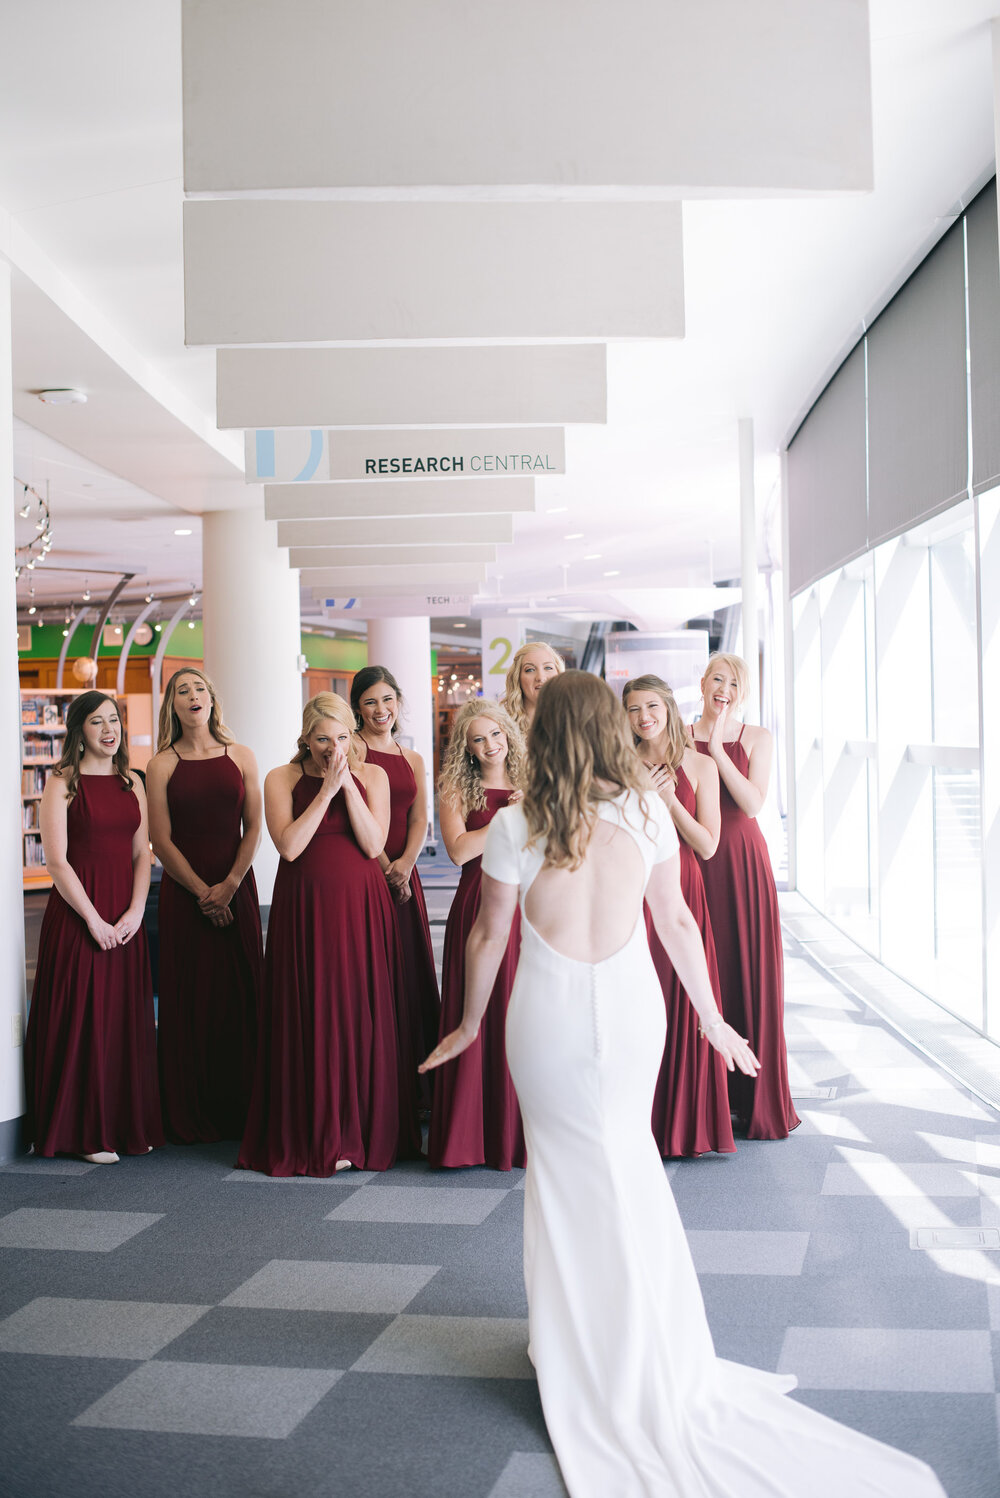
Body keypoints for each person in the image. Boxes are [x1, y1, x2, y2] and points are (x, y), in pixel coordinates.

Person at [420, 671, 947, 1498]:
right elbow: (675, 923)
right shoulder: (643, 811)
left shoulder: (518, 822)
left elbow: (487, 934)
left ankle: (576, 1346)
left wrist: (469, 1024)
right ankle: (647, 1341)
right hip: (634, 1015)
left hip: (548, 1016)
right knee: (628, 1164)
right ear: (605, 730)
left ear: (544, 735)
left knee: (561, 1180)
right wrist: (711, 1018)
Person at [238, 693, 419, 1175]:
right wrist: (324, 791)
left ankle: (358, 1130)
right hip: (305, 907)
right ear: (305, 738)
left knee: (359, 1009)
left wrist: (348, 788)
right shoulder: (281, 778)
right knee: (312, 1009)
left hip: (361, 906)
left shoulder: (374, 776)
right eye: (323, 739)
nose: (332, 748)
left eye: (341, 737)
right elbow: (290, 847)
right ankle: (316, 1131)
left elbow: (374, 843)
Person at [24, 691, 163, 1163]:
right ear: (79, 730)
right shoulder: (62, 782)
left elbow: (141, 856)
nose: (110, 729)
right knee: (84, 1019)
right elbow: (58, 864)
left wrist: (135, 912)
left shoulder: (132, 782)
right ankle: (87, 1133)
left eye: (114, 720)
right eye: (97, 721)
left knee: (122, 1019)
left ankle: (125, 1125)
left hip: (125, 916)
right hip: (79, 915)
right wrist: (94, 920)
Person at [146, 668, 263, 1142]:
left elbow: (254, 827)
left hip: (238, 885)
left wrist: (230, 885)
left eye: (199, 689)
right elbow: (160, 839)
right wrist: (203, 893)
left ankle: (246, 1107)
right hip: (184, 893)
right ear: (172, 706)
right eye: (182, 691)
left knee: (242, 996)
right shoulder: (161, 764)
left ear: (213, 700)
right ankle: (190, 1112)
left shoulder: (242, 755)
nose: (192, 696)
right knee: (191, 998)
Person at [624, 673, 734, 1158]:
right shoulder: (617, 764)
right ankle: (638, 1123)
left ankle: (685, 1124)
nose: (643, 717)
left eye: (651, 706)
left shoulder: (702, 765)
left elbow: (709, 845)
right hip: (631, 892)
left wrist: (667, 801)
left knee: (686, 1001)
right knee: (639, 1004)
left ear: (667, 708)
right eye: (633, 709)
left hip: (682, 889)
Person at [690, 652, 800, 1139]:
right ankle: (702, 1098)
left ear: (742, 692)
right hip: (693, 858)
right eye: (718, 678)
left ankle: (752, 1097)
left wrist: (715, 747)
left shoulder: (757, 737)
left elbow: (754, 804)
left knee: (746, 969)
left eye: (734, 683)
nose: (724, 688)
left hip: (742, 862)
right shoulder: (676, 734)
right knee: (700, 969)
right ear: (702, 683)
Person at [428, 700, 526, 1170]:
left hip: (528, 904)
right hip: (478, 903)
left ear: (508, 733)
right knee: (479, 1009)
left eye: (495, 735)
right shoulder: (456, 788)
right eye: (478, 739)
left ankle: (520, 1133)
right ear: (466, 748)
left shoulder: (533, 781)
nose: (490, 745)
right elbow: (459, 851)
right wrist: (509, 820)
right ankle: (472, 1137)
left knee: (520, 1012)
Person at [351, 666, 440, 1103]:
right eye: (370, 701)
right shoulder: (352, 750)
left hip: (408, 874)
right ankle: (385, 1085)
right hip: (368, 874)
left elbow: (420, 817)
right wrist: (387, 866)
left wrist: (405, 863)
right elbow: (357, 818)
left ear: (399, 703)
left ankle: (418, 1088)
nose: (380, 709)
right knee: (379, 975)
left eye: (387, 700)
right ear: (357, 708)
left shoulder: (413, 758)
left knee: (411, 974)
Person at [501, 641, 564, 736]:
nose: (540, 677)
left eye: (548, 668)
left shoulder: (572, 721)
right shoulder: (501, 726)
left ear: (559, 673)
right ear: (517, 678)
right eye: (530, 670)